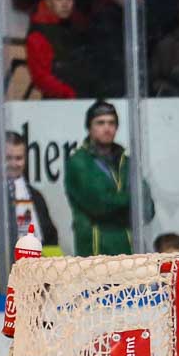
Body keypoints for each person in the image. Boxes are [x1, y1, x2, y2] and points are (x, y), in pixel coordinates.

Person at [65, 100, 152, 256]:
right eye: (100, 123)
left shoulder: (127, 162)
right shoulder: (78, 162)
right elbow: (99, 205)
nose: (107, 128)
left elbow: (147, 209)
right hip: (95, 251)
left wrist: (119, 202)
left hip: (128, 250)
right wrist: (131, 200)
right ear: (89, 128)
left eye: (112, 123)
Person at [25, 0, 94, 99]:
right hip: (60, 102)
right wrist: (69, 94)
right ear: (48, 1)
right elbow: (41, 77)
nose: (65, 4)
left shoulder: (77, 27)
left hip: (83, 97)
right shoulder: (39, 34)